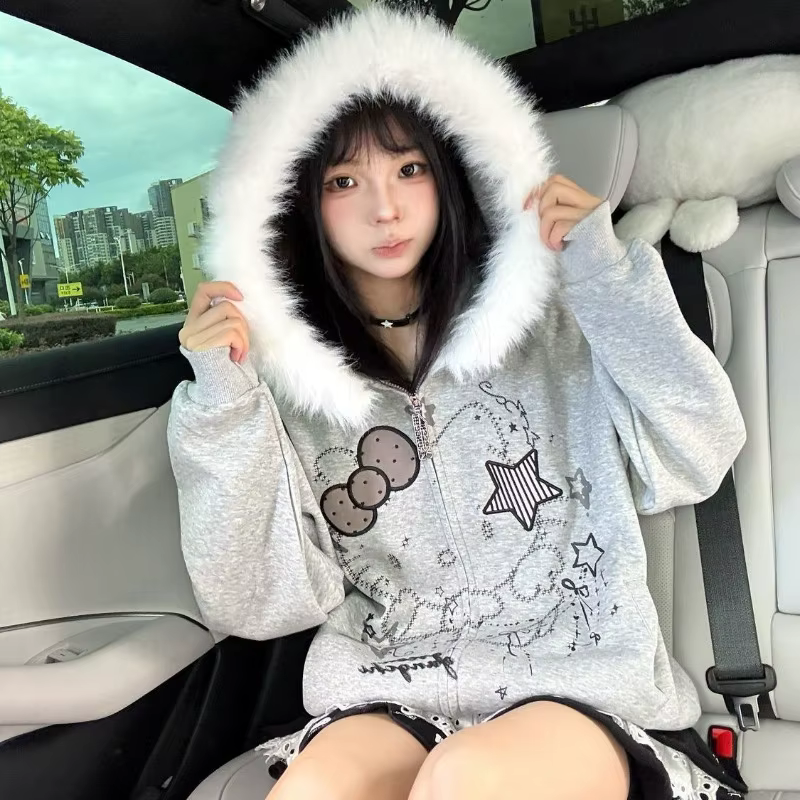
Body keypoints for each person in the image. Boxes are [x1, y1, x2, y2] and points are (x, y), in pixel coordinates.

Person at [168, 7, 748, 800]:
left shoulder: (562, 319)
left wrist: (604, 278)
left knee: (465, 778)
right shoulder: (281, 384)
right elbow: (256, 602)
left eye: (409, 169)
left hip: (579, 690)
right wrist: (223, 403)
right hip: (384, 692)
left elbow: (699, 452)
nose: (384, 208)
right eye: (344, 181)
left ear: (451, 172)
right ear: (295, 200)